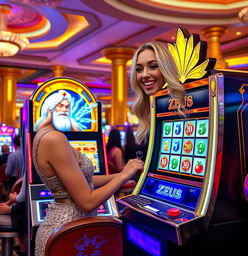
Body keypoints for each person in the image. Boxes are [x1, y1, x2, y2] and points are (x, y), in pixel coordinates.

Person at [33, 110, 144, 256]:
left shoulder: (43, 134)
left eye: (68, 106)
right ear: (49, 109)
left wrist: (120, 175)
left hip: (69, 228)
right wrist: (123, 175)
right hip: (69, 231)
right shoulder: (54, 138)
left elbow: (84, 181)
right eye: (60, 105)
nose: (66, 109)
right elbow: (87, 202)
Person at [130, 41, 185, 145]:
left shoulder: (183, 107)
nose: (144, 75)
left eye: (153, 66)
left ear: (166, 69)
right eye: (139, 69)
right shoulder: (147, 114)